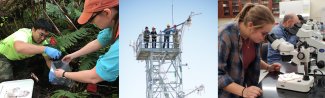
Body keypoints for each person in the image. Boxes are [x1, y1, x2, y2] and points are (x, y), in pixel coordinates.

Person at [218, 3, 281, 98]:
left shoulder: (252, 36)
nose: (265, 39)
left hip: (242, 90)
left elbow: (250, 59)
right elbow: (217, 74)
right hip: (226, 94)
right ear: (251, 25)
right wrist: (243, 91)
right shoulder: (225, 34)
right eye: (264, 34)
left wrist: (268, 67)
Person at [53, 0, 119, 84]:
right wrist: (73, 55)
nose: (91, 23)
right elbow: (98, 42)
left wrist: (63, 74)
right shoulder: (116, 22)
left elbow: (94, 77)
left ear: (106, 13)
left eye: (91, 19)